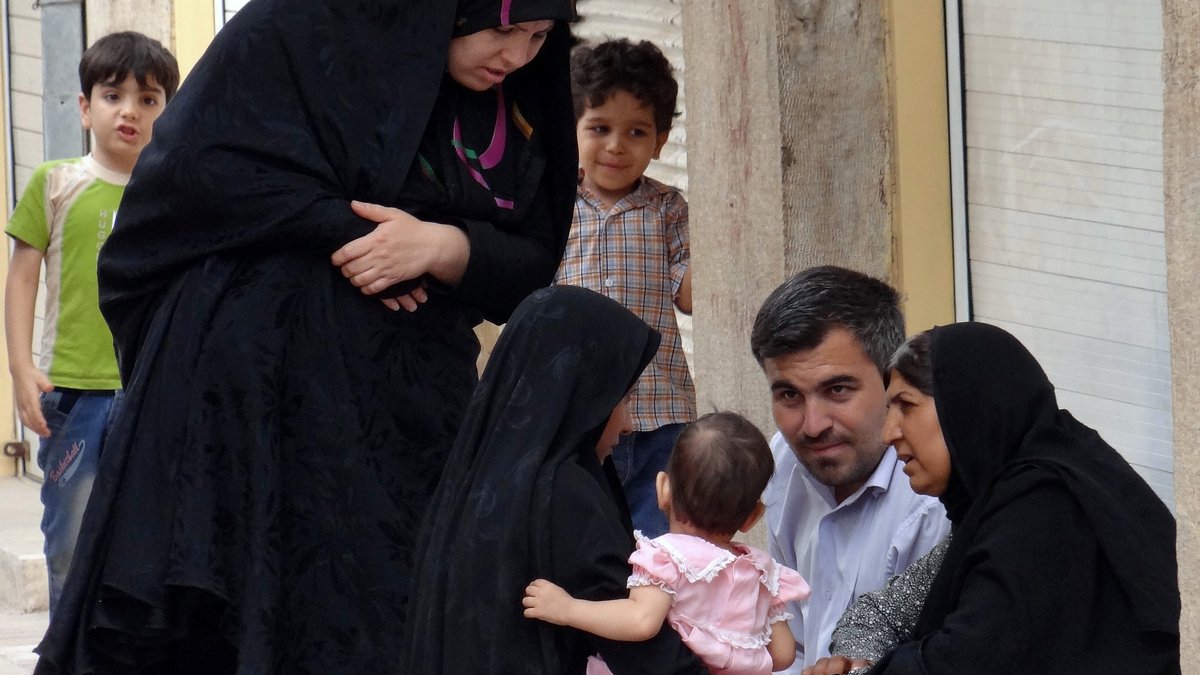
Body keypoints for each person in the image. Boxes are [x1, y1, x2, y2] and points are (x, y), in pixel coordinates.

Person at [35, 0, 577, 672]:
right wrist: (338, 228)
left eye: (539, 37)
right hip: (247, 409)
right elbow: (194, 178)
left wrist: (440, 245)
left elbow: (532, 256)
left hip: (404, 421)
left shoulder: (515, 102)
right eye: (502, 30)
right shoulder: (297, 32)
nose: (517, 56)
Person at [404, 285, 708, 674]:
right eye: (623, 398)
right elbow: (644, 649)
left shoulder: (475, 481)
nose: (630, 423)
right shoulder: (565, 495)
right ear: (583, 393)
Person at [857, 322, 1180, 673]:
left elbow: (966, 661)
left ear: (967, 405)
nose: (889, 433)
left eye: (906, 405)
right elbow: (880, 614)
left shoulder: (1042, 506)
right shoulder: (1006, 498)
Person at [3, 31, 178, 616]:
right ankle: (66, 652)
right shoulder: (54, 182)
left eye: (148, 99)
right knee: (71, 539)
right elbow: (23, 277)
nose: (129, 110)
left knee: (151, 539)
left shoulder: (173, 197)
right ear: (84, 107)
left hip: (152, 390)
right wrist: (22, 369)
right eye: (112, 95)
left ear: (167, 113)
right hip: (73, 393)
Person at [750, 266, 951, 671]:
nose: (813, 425)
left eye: (837, 390)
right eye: (789, 394)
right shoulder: (783, 461)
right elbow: (795, 642)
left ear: (891, 382)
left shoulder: (932, 503)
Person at [524, 410, 811, 674]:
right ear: (753, 517)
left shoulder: (666, 557)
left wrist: (568, 609)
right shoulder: (760, 570)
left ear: (662, 488)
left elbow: (641, 621)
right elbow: (784, 654)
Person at [554, 37, 695, 538]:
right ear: (569, 130)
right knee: (587, 544)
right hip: (577, 418)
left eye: (637, 131)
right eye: (599, 128)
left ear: (660, 141)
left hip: (661, 415)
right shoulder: (553, 210)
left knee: (663, 549)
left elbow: (692, 296)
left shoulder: (668, 210)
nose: (616, 146)